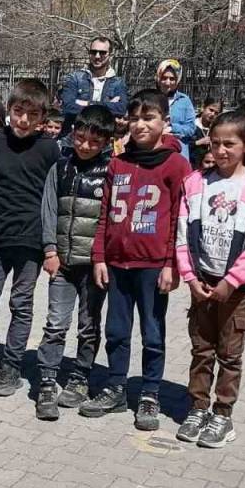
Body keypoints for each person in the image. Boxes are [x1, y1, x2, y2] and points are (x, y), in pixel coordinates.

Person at [87, 89, 191, 431]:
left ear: (165, 121)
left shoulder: (176, 164)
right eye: (135, 118)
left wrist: (170, 264)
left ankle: (149, 392)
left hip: (152, 265)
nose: (141, 124)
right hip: (117, 263)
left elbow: (178, 217)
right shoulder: (118, 162)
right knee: (116, 331)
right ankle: (116, 386)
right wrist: (100, 256)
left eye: (149, 118)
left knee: (152, 331)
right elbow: (106, 213)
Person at [174, 110, 245, 448]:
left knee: (229, 352)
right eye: (215, 143)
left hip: (235, 288)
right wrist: (190, 278)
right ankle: (198, 407)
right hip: (201, 281)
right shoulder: (195, 183)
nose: (221, 151)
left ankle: (223, 413)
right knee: (201, 349)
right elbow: (182, 235)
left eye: (229, 144)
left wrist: (231, 281)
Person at [0, 79, 61, 398]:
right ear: (7, 111)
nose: (23, 120)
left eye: (32, 114)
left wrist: (51, 246)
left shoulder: (50, 149)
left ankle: (11, 366)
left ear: (42, 118)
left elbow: (54, 197)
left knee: (21, 305)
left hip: (31, 243)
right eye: (18, 111)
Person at [35, 104, 115, 420]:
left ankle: (80, 376)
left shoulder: (111, 172)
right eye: (80, 137)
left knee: (88, 325)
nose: (84, 145)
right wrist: (50, 251)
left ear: (106, 142)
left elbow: (110, 219)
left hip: (93, 266)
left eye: (93, 142)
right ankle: (46, 381)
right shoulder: (60, 167)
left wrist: (103, 259)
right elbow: (49, 210)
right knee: (55, 323)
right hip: (63, 264)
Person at [59, 36, 129, 132]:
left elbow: (121, 109)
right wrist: (107, 105)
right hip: (73, 136)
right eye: (93, 52)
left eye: (102, 52)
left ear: (110, 55)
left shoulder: (118, 83)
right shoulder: (75, 78)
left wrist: (86, 103)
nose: (97, 56)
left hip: (103, 138)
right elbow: (67, 106)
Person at [156, 59, 197, 161]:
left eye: (172, 79)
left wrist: (171, 128)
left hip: (178, 153)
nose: (167, 82)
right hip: (155, 152)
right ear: (158, 78)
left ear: (177, 80)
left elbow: (191, 128)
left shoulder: (184, 101)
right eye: (164, 78)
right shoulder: (150, 98)